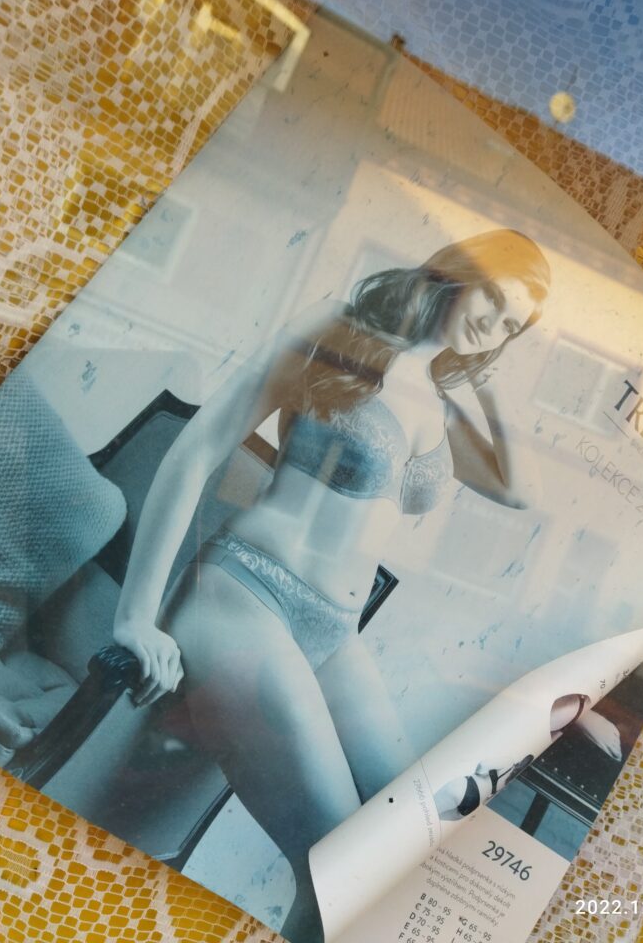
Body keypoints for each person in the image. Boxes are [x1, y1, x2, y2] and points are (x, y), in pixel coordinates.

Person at [111, 228, 551, 941]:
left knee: (406, 846)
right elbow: (197, 450)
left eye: (511, 325)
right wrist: (136, 614)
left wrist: (487, 378)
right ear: (460, 271)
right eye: (492, 299)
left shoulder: (439, 402)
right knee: (338, 871)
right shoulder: (341, 327)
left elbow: (519, 490)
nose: (491, 326)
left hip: (334, 635)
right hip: (245, 597)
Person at [434, 694, 622, 821]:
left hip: (468, 789)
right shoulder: (514, 764)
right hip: (472, 800)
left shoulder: (509, 758)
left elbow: (482, 765)